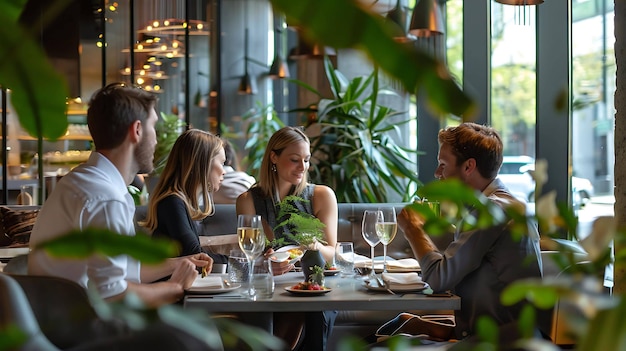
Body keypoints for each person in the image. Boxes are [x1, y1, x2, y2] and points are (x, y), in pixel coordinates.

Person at [28, 83, 213, 309]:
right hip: (84, 333)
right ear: (136, 131)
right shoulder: (104, 197)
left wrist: (178, 263)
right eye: (153, 127)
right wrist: (175, 288)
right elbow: (112, 295)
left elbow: (125, 271)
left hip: (60, 322)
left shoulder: (85, 181)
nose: (156, 140)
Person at [396, 122, 543, 342]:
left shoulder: (492, 211)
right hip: (498, 337)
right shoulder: (502, 205)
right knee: (397, 326)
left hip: (500, 344)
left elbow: (438, 278)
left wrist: (412, 228)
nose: (437, 173)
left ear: (468, 167)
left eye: (443, 164)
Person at [236, 126, 338, 351]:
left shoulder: (321, 195)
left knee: (311, 306)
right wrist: (266, 263)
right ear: (274, 156)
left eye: (306, 160)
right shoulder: (248, 200)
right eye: (294, 159)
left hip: (311, 286)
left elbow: (332, 253)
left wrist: (310, 245)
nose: (303, 167)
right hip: (270, 287)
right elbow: (249, 257)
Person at [141, 129, 228, 263]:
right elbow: (195, 255)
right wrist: (244, 262)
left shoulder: (178, 201)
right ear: (202, 164)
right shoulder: (172, 203)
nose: (224, 172)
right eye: (222, 163)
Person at [212, 139, 256, 204]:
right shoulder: (249, 181)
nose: (224, 172)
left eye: (223, 163)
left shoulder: (207, 191)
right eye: (221, 163)